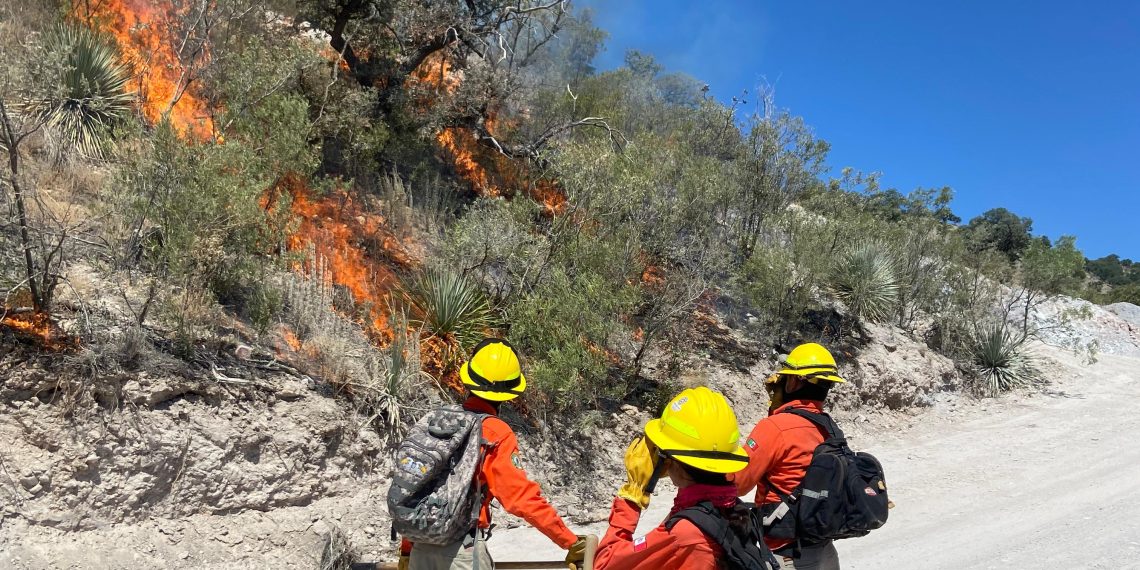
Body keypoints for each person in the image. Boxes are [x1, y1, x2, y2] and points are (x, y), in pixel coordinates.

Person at [399, 338, 588, 570]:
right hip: (460, 554)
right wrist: (569, 541)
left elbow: (419, 489)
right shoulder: (494, 432)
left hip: (420, 550)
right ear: (509, 393)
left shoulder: (437, 421)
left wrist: (407, 550)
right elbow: (521, 498)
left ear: (468, 379)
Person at [592, 386, 756, 570]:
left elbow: (605, 564)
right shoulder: (729, 509)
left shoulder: (686, 532)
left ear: (672, 462)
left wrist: (634, 493)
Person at [730, 342, 847, 570]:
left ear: (793, 381)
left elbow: (738, 484)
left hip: (784, 553)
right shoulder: (831, 429)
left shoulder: (775, 427)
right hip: (824, 550)